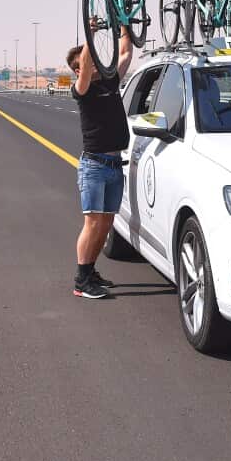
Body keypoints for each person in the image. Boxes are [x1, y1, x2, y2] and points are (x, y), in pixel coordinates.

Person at [70, 26, 136, 299]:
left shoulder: (109, 83)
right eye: (90, 60)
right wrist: (90, 35)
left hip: (113, 166)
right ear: (78, 69)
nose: (97, 62)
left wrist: (124, 27)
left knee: (106, 224)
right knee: (93, 223)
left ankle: (91, 270)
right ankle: (81, 281)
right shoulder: (81, 90)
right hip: (94, 167)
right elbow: (85, 65)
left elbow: (126, 53)